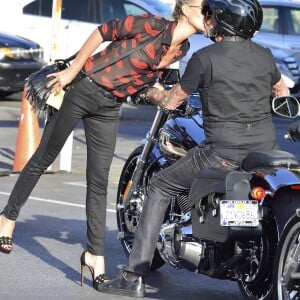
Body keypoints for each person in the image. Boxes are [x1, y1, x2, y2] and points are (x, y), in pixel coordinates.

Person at [0, 0, 212, 291]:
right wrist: (71, 72)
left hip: (110, 107)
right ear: (186, 9)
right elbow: (103, 32)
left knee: (98, 182)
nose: (208, 14)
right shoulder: (151, 25)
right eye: (204, 8)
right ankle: (8, 218)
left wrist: (163, 96)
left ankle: (93, 255)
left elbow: (143, 81)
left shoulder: (182, 49)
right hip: (83, 88)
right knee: (43, 158)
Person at [96, 0, 290, 298]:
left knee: (160, 185)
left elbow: (176, 98)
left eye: (211, 15)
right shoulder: (264, 56)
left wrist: (157, 95)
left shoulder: (204, 58)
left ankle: (132, 275)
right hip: (263, 151)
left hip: (221, 152)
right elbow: (281, 90)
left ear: (223, 22)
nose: (208, 20)